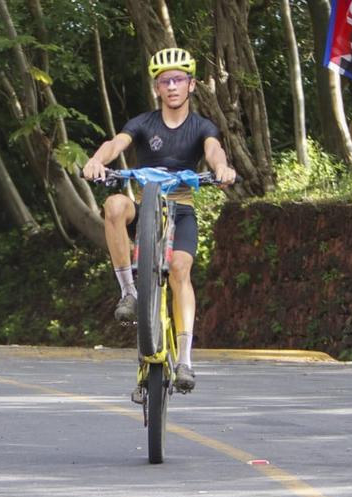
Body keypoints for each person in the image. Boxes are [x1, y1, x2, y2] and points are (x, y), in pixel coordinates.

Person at [82, 47, 236, 395]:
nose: (172, 86)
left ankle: (185, 360)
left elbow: (214, 151)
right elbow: (115, 144)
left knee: (180, 270)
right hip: (145, 207)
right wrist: (96, 161)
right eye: (165, 81)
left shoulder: (202, 126)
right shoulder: (143, 123)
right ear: (157, 87)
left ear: (191, 85)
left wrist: (222, 168)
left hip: (180, 210)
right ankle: (129, 292)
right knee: (114, 205)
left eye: (178, 79)